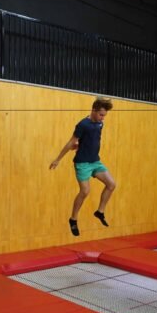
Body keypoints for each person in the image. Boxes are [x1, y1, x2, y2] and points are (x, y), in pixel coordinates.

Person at [49, 97, 116, 236]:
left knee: (111, 184)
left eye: (104, 116)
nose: (103, 118)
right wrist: (58, 159)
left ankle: (100, 211)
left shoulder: (100, 124)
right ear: (93, 110)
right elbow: (70, 143)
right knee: (85, 191)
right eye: (101, 115)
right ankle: (73, 219)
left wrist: (81, 145)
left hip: (95, 161)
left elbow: (91, 140)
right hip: (82, 163)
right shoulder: (82, 124)